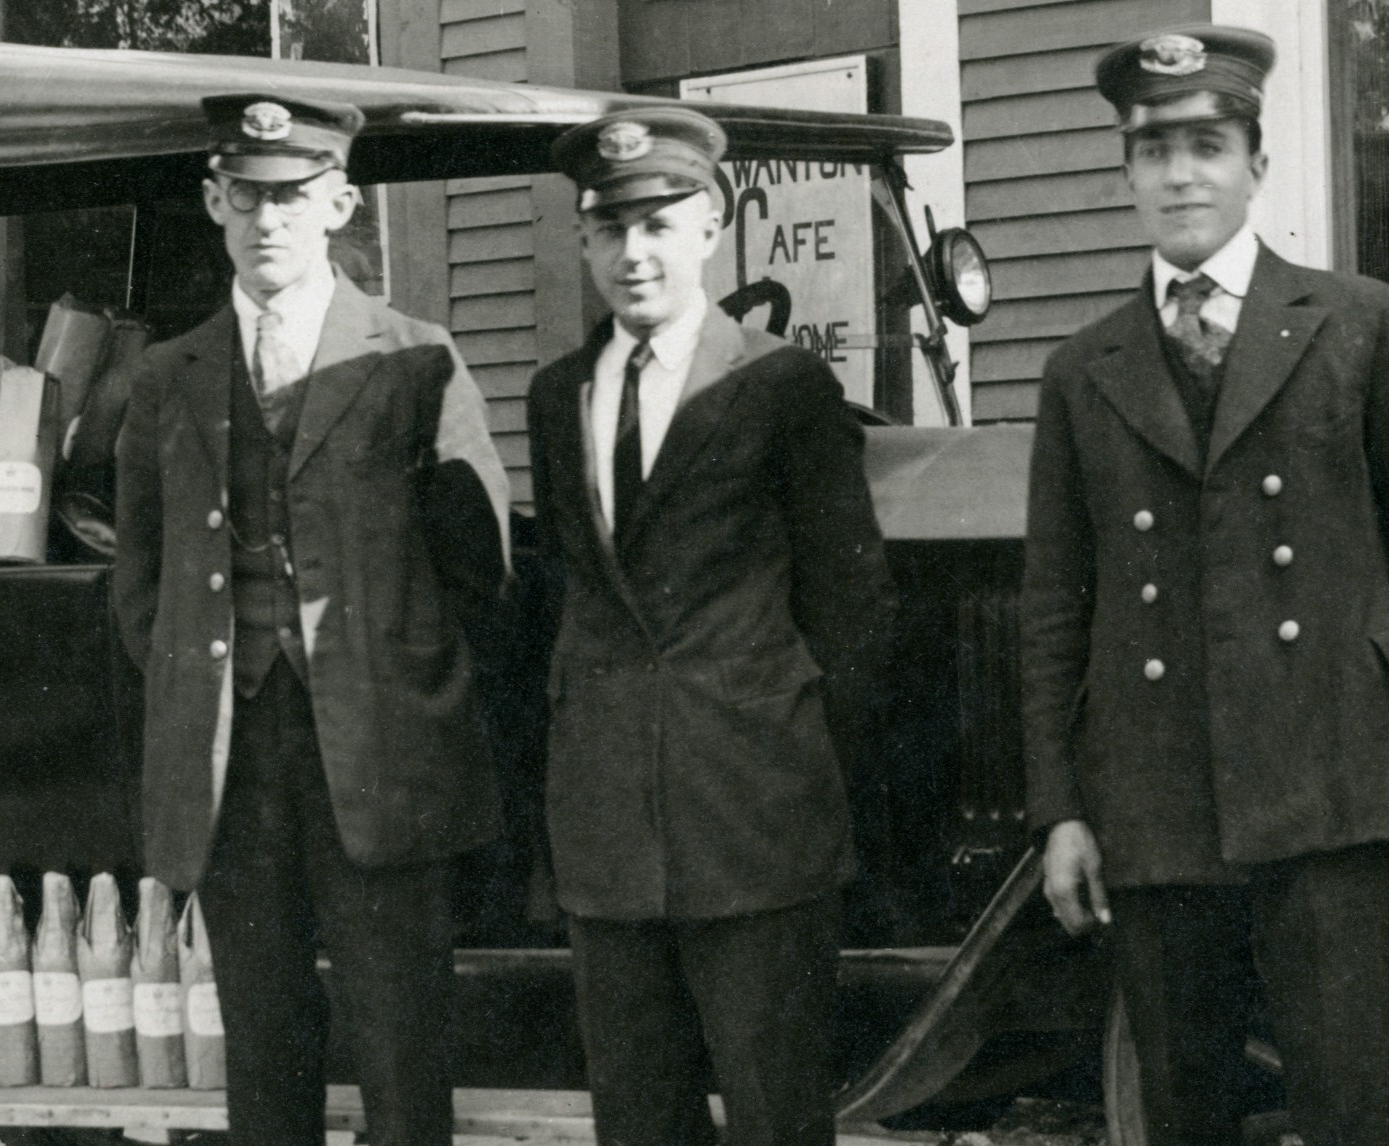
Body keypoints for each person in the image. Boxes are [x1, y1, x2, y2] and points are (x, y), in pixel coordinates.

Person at [1020, 25, 1389, 1146]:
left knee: (1351, 1112)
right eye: (1154, 149)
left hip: (1334, 786)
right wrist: (1062, 812)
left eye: (1209, 144)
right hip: (1157, 806)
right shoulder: (1081, 370)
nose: (1181, 172)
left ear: (1256, 165)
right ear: (1124, 172)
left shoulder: (1358, 325)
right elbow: (1054, 610)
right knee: (1183, 1116)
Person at [110, 93, 512, 1146]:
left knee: (401, 1032)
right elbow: (140, 580)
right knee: (264, 1034)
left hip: (382, 747)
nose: (268, 219)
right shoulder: (167, 377)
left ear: (340, 202)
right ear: (214, 200)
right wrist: (205, 685)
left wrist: (415, 687)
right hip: (232, 755)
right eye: (246, 195)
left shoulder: (414, 359)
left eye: (292, 196)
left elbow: (480, 570)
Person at [525, 107, 894, 1146]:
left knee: (779, 1115)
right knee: (638, 1120)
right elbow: (569, 598)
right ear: (585, 240)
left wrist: (796, 770)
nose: (634, 252)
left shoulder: (781, 386)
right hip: (608, 835)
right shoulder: (559, 397)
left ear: (710, 226)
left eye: (659, 221)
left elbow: (852, 609)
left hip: (756, 825)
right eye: (610, 226)